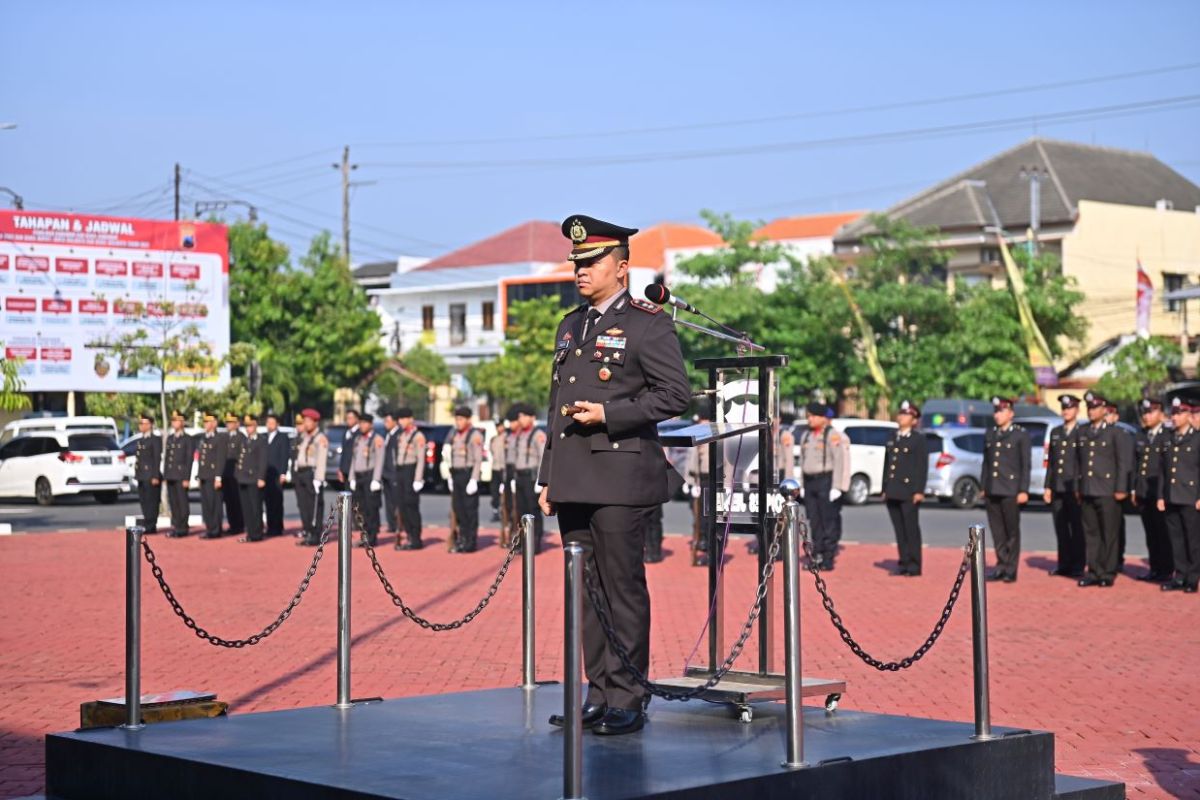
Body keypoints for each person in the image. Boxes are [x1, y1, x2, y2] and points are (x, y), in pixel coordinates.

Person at [540, 213, 690, 736]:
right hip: (575, 477)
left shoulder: (649, 323)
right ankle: (599, 692)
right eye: (576, 262)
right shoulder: (570, 325)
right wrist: (546, 476)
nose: (580, 270)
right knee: (587, 590)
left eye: (591, 261)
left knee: (622, 588)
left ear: (621, 267)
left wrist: (610, 414)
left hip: (622, 478)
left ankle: (629, 695)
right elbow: (556, 404)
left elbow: (676, 394)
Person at [1077, 393, 1132, 587]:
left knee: (1109, 533)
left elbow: (1123, 463)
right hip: (1088, 490)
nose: (1091, 411)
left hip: (1109, 490)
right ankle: (1093, 571)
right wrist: (1078, 487)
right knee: (1091, 534)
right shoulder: (1082, 431)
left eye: (1095, 408)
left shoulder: (1116, 433)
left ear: (1104, 410)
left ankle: (1108, 572)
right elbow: (1078, 463)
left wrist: (1122, 488)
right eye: (1089, 408)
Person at [981, 397, 1031, 583]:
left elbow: (1025, 465)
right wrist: (983, 485)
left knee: (1011, 532)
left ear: (1011, 413)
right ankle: (1001, 565)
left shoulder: (1020, 435)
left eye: (1001, 411)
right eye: (996, 411)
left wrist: (1023, 490)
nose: (997, 415)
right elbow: (986, 463)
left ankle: (1011, 569)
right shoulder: (990, 433)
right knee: (997, 531)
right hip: (993, 488)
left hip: (1011, 489)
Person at [797, 402, 850, 571]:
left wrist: (837, 486)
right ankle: (816, 555)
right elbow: (803, 461)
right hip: (810, 481)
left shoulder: (832, 435)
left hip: (825, 481)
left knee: (828, 521)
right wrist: (802, 485)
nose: (810, 419)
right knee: (814, 521)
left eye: (813, 416)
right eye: (808, 416)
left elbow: (839, 461)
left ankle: (828, 558)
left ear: (822, 418)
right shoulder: (807, 435)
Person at [1157, 398, 1199, 593]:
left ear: (1189, 416)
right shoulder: (1168, 438)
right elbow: (1163, 471)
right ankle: (1179, 576)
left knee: (1193, 540)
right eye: (1173, 413)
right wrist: (1160, 496)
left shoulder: (1197, 439)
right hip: (1171, 495)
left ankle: (1192, 578)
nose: (1174, 417)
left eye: (1179, 413)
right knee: (1176, 539)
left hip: (1191, 497)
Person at [882, 400, 928, 577]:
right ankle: (903, 562)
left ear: (914, 420)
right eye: (901, 414)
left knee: (911, 529)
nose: (901, 417)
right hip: (893, 489)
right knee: (899, 529)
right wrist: (884, 487)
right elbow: (887, 465)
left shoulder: (918, 439)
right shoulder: (893, 437)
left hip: (909, 491)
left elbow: (921, 467)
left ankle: (914, 565)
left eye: (906, 414)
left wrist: (919, 490)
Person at [1043, 394, 1085, 577]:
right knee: (1060, 527)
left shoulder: (1082, 433)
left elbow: (1083, 463)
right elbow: (1051, 462)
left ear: (1076, 410)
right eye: (1064, 408)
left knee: (1076, 528)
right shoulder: (1056, 432)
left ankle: (1078, 565)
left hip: (1074, 488)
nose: (1066, 411)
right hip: (1058, 486)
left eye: (1069, 408)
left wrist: (1080, 487)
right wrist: (1047, 486)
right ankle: (1063, 564)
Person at [1134, 397, 1172, 582]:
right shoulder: (1142, 435)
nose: (1147, 416)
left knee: (1163, 533)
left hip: (1160, 493)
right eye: (1145, 412)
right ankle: (1155, 568)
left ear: (1161, 414)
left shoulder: (1168, 435)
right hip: (1144, 492)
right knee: (1151, 534)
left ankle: (1166, 570)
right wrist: (1135, 489)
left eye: (1151, 412)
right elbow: (1137, 464)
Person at [513, 403, 548, 554]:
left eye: (524, 416)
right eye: (519, 417)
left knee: (532, 511)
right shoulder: (520, 434)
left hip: (531, 478)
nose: (521, 419)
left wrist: (541, 480)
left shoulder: (538, 435)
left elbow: (543, 458)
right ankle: (523, 542)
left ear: (532, 418)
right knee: (521, 512)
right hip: (520, 477)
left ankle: (535, 544)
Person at [449, 407, 485, 553]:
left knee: (470, 511)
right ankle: (462, 539)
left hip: (468, 474)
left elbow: (478, 459)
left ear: (468, 420)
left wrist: (474, 479)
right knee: (459, 509)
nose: (458, 422)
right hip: (457, 474)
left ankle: (470, 541)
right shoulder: (455, 435)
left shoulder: (474, 435)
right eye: (456, 419)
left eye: (461, 419)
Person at [293, 408, 329, 547]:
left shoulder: (320, 438)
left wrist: (319, 478)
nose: (306, 424)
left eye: (308, 421)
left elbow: (322, 459)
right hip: (301, 472)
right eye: (305, 421)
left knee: (314, 505)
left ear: (315, 422)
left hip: (312, 474)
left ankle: (315, 534)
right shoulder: (304, 437)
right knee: (303, 505)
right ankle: (307, 530)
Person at [393, 407, 427, 550]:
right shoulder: (401, 435)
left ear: (410, 419)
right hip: (401, 471)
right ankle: (409, 536)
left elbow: (421, 459)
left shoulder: (418, 436)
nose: (400, 421)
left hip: (411, 471)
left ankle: (416, 538)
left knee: (411, 505)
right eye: (399, 419)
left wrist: (418, 479)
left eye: (403, 418)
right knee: (402, 506)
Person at [350, 413, 384, 547]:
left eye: (365, 423)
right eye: (360, 423)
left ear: (371, 425)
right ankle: (364, 536)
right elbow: (353, 459)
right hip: (359, 477)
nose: (362, 426)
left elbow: (380, 460)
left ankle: (372, 536)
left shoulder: (377, 439)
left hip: (370, 476)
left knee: (371, 509)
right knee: (360, 509)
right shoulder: (358, 439)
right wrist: (352, 477)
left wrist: (376, 479)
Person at [685, 412, 712, 567]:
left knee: (709, 515)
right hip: (700, 479)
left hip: (712, 478)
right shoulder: (697, 434)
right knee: (698, 515)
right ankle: (702, 541)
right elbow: (692, 461)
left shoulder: (715, 435)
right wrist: (691, 482)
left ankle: (709, 547)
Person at [161, 410, 194, 538]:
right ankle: (176, 526)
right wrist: (165, 475)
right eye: (173, 420)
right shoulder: (171, 438)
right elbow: (167, 458)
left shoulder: (187, 439)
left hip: (181, 475)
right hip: (171, 475)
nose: (174, 423)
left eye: (176, 420)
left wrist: (187, 478)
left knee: (182, 502)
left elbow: (189, 459)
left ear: (182, 422)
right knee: (173, 502)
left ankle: (183, 527)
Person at [236, 415, 268, 543]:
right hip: (243, 478)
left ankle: (257, 533)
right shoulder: (244, 441)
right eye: (246, 426)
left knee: (256, 507)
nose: (248, 428)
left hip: (254, 478)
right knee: (246, 507)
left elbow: (263, 460)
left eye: (250, 426)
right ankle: (250, 532)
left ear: (255, 426)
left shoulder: (261, 440)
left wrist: (261, 477)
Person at [195, 413, 227, 539]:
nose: (206, 424)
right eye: (205, 422)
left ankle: (215, 530)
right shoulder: (204, 438)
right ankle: (209, 528)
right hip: (204, 475)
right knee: (206, 504)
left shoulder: (219, 438)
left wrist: (218, 477)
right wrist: (199, 475)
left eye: (208, 422)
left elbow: (220, 459)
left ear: (214, 423)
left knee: (215, 504)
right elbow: (201, 459)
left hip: (214, 476)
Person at [133, 413, 163, 535]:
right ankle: (147, 522)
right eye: (140, 423)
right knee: (144, 501)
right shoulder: (141, 440)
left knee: (152, 502)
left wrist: (155, 475)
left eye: (143, 423)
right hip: (141, 476)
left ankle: (151, 525)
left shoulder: (155, 439)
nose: (140, 426)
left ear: (150, 425)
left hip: (151, 476)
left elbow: (156, 458)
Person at [263, 413, 290, 537]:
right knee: (268, 501)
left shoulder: (282, 437)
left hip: (277, 474)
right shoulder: (264, 437)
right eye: (268, 423)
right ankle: (270, 526)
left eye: (272, 423)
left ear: (277, 424)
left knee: (277, 501)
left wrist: (283, 473)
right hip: (266, 474)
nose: (269, 425)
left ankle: (277, 527)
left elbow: (284, 456)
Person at [221, 412, 245, 537]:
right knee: (229, 501)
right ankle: (232, 524)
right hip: (225, 473)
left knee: (237, 501)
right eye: (227, 422)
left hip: (236, 474)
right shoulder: (224, 437)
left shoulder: (241, 437)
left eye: (231, 422)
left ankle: (239, 525)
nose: (229, 425)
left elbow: (242, 456)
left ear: (237, 424)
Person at [381, 409, 403, 536]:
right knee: (388, 500)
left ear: (395, 422)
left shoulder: (398, 434)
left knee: (396, 501)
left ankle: (399, 524)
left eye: (388, 421)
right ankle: (391, 524)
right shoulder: (387, 434)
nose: (385, 423)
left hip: (394, 472)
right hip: (386, 472)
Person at [490, 412, 511, 527]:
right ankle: (495, 511)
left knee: (505, 493)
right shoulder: (493, 439)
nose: (499, 428)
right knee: (494, 492)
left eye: (500, 425)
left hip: (504, 468)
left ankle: (505, 512)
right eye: (497, 426)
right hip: (495, 468)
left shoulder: (507, 438)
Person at [338, 408, 361, 487]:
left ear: (357, 419)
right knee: (344, 496)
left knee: (355, 496)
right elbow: (344, 452)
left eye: (351, 418)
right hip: (345, 469)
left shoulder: (360, 433)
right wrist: (340, 469)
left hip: (355, 470)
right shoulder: (346, 432)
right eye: (347, 418)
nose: (348, 420)